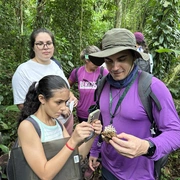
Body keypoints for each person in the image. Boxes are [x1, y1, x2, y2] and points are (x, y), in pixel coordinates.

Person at [88, 28, 180, 180]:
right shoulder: (103, 84)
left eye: (122, 59)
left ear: (134, 57)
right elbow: (102, 123)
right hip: (107, 168)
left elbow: (176, 132)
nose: (115, 67)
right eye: (109, 61)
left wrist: (146, 147)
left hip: (139, 174)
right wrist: (94, 150)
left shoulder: (152, 87)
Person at [16, 75, 102, 179]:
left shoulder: (57, 123)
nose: (63, 108)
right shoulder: (28, 127)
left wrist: (92, 135)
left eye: (65, 102)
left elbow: (76, 157)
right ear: (42, 99)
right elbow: (45, 174)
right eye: (58, 102)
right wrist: (72, 141)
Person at [12, 28, 77, 134]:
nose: (45, 47)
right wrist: (56, 112)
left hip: (65, 122)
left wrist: (71, 95)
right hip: (42, 128)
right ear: (33, 47)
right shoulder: (23, 71)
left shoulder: (55, 65)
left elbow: (63, 88)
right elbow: (21, 105)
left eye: (49, 43)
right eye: (40, 43)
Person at [68, 45, 108, 123]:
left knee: (96, 134)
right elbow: (66, 86)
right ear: (87, 60)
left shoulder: (103, 72)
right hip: (82, 113)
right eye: (95, 60)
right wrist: (71, 95)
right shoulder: (77, 72)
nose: (98, 63)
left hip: (98, 114)